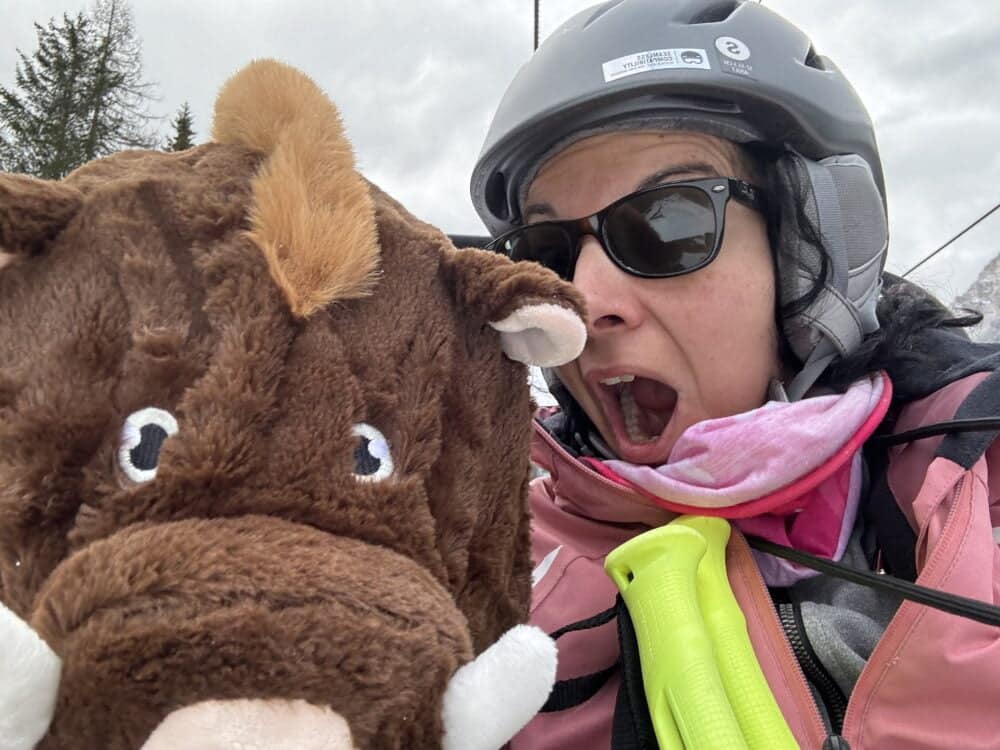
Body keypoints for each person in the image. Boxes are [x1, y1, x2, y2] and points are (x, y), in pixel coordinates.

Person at [469, 1, 1000, 748]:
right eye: (548, 254)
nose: (586, 303)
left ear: (804, 253)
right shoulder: (484, 565)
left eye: (667, 222)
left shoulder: (978, 479)